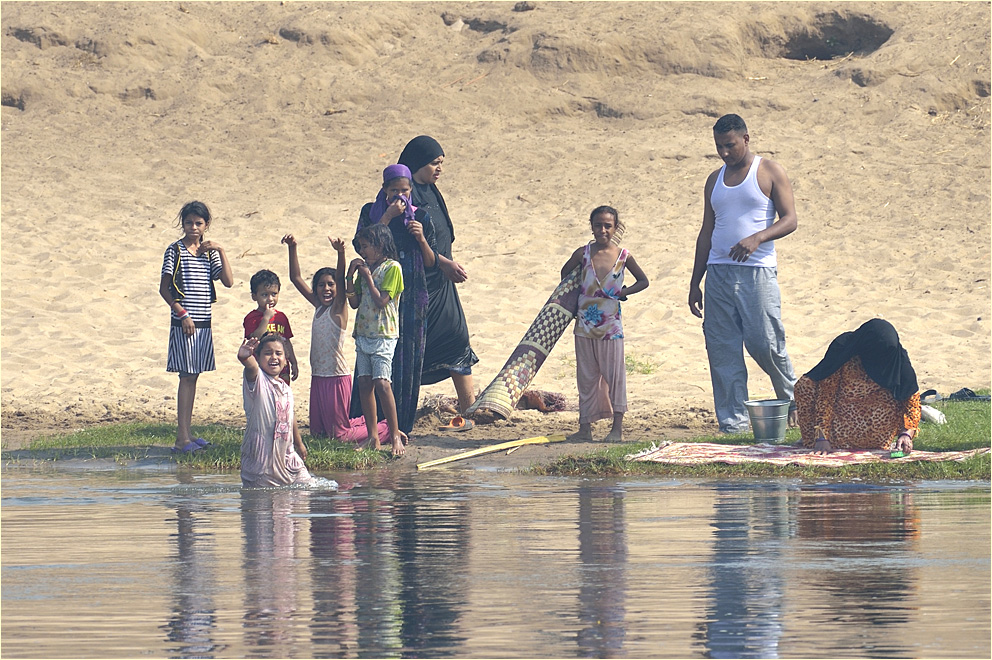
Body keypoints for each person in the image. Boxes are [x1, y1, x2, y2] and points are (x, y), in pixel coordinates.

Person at [687, 114, 799, 434]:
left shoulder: (769, 171)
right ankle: (733, 425)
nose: (724, 152)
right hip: (717, 274)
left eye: (730, 145)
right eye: (719, 146)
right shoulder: (714, 180)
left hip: (757, 273)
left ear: (746, 139)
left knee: (766, 344)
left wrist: (757, 238)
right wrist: (695, 282)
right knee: (722, 350)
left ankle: (794, 402)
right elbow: (706, 232)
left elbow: (790, 219)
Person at [352, 164, 437, 437]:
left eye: (405, 191)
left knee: (406, 357)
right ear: (384, 190)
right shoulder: (371, 213)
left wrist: (421, 239)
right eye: (394, 191)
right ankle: (368, 425)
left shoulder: (420, 216)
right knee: (372, 361)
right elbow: (361, 244)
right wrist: (387, 217)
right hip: (376, 294)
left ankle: (400, 425)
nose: (400, 196)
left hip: (411, 296)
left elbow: (431, 261)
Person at [281, 233, 391, 444]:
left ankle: (383, 429)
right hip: (318, 376)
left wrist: (341, 253)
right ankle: (365, 422)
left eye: (330, 285)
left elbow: (340, 278)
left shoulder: (338, 308)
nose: (326, 289)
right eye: (321, 285)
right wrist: (292, 247)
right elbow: (295, 278)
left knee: (339, 436)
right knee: (319, 434)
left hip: (336, 378)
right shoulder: (319, 307)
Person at [398, 136, 480, 413]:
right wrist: (444, 263)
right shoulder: (405, 194)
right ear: (418, 163)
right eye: (434, 163)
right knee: (410, 350)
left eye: (441, 163)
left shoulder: (432, 191)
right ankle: (396, 410)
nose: (439, 168)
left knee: (457, 338)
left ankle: (468, 407)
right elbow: (408, 242)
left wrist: (445, 265)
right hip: (417, 287)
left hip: (442, 283)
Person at [560, 206, 649, 442]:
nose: (602, 230)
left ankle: (616, 429)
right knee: (586, 377)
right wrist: (572, 301)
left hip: (611, 328)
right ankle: (585, 428)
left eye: (608, 226)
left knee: (614, 377)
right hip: (584, 327)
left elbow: (643, 281)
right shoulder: (582, 254)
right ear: (591, 227)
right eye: (598, 225)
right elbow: (565, 275)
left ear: (615, 228)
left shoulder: (623, 256)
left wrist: (624, 292)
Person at [159, 200, 233, 453]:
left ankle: (187, 434)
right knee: (186, 377)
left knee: (194, 376)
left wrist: (220, 250)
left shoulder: (208, 252)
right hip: (185, 324)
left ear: (206, 225)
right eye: (189, 222)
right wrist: (182, 314)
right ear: (183, 223)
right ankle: (181, 439)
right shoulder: (175, 251)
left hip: (203, 324)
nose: (193, 227)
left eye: (198, 223)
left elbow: (228, 281)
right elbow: (164, 289)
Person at [795, 319, 920, 454]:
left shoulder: (895, 358)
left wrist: (906, 434)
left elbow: (912, 402)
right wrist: (822, 437)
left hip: (878, 434)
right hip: (838, 430)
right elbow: (826, 396)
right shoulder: (845, 352)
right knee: (805, 385)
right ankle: (811, 441)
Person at [347, 223, 408, 456]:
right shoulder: (366, 270)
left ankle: (394, 435)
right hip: (364, 332)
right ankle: (373, 436)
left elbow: (382, 301)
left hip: (384, 334)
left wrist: (368, 278)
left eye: (365, 246)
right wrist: (350, 276)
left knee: (382, 383)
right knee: (364, 383)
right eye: (360, 248)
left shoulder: (393, 268)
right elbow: (354, 302)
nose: (362, 252)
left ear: (380, 245)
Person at [243, 269, 306, 459]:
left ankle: (291, 440)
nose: (270, 299)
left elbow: (286, 341)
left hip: (281, 368)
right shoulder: (252, 318)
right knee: (266, 405)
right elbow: (253, 338)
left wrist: (293, 360)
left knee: (285, 403)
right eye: (264, 294)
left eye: (274, 294)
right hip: (262, 371)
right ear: (254, 296)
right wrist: (265, 319)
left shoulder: (282, 317)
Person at [237, 334, 315, 487]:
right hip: (261, 460)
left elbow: (290, 416)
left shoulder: (286, 389)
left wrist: (299, 443)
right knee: (262, 498)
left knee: (309, 487)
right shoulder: (258, 381)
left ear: (285, 360)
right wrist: (245, 357)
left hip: (287, 459)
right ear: (258, 358)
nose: (273, 357)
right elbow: (251, 368)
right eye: (268, 353)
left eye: (278, 353)